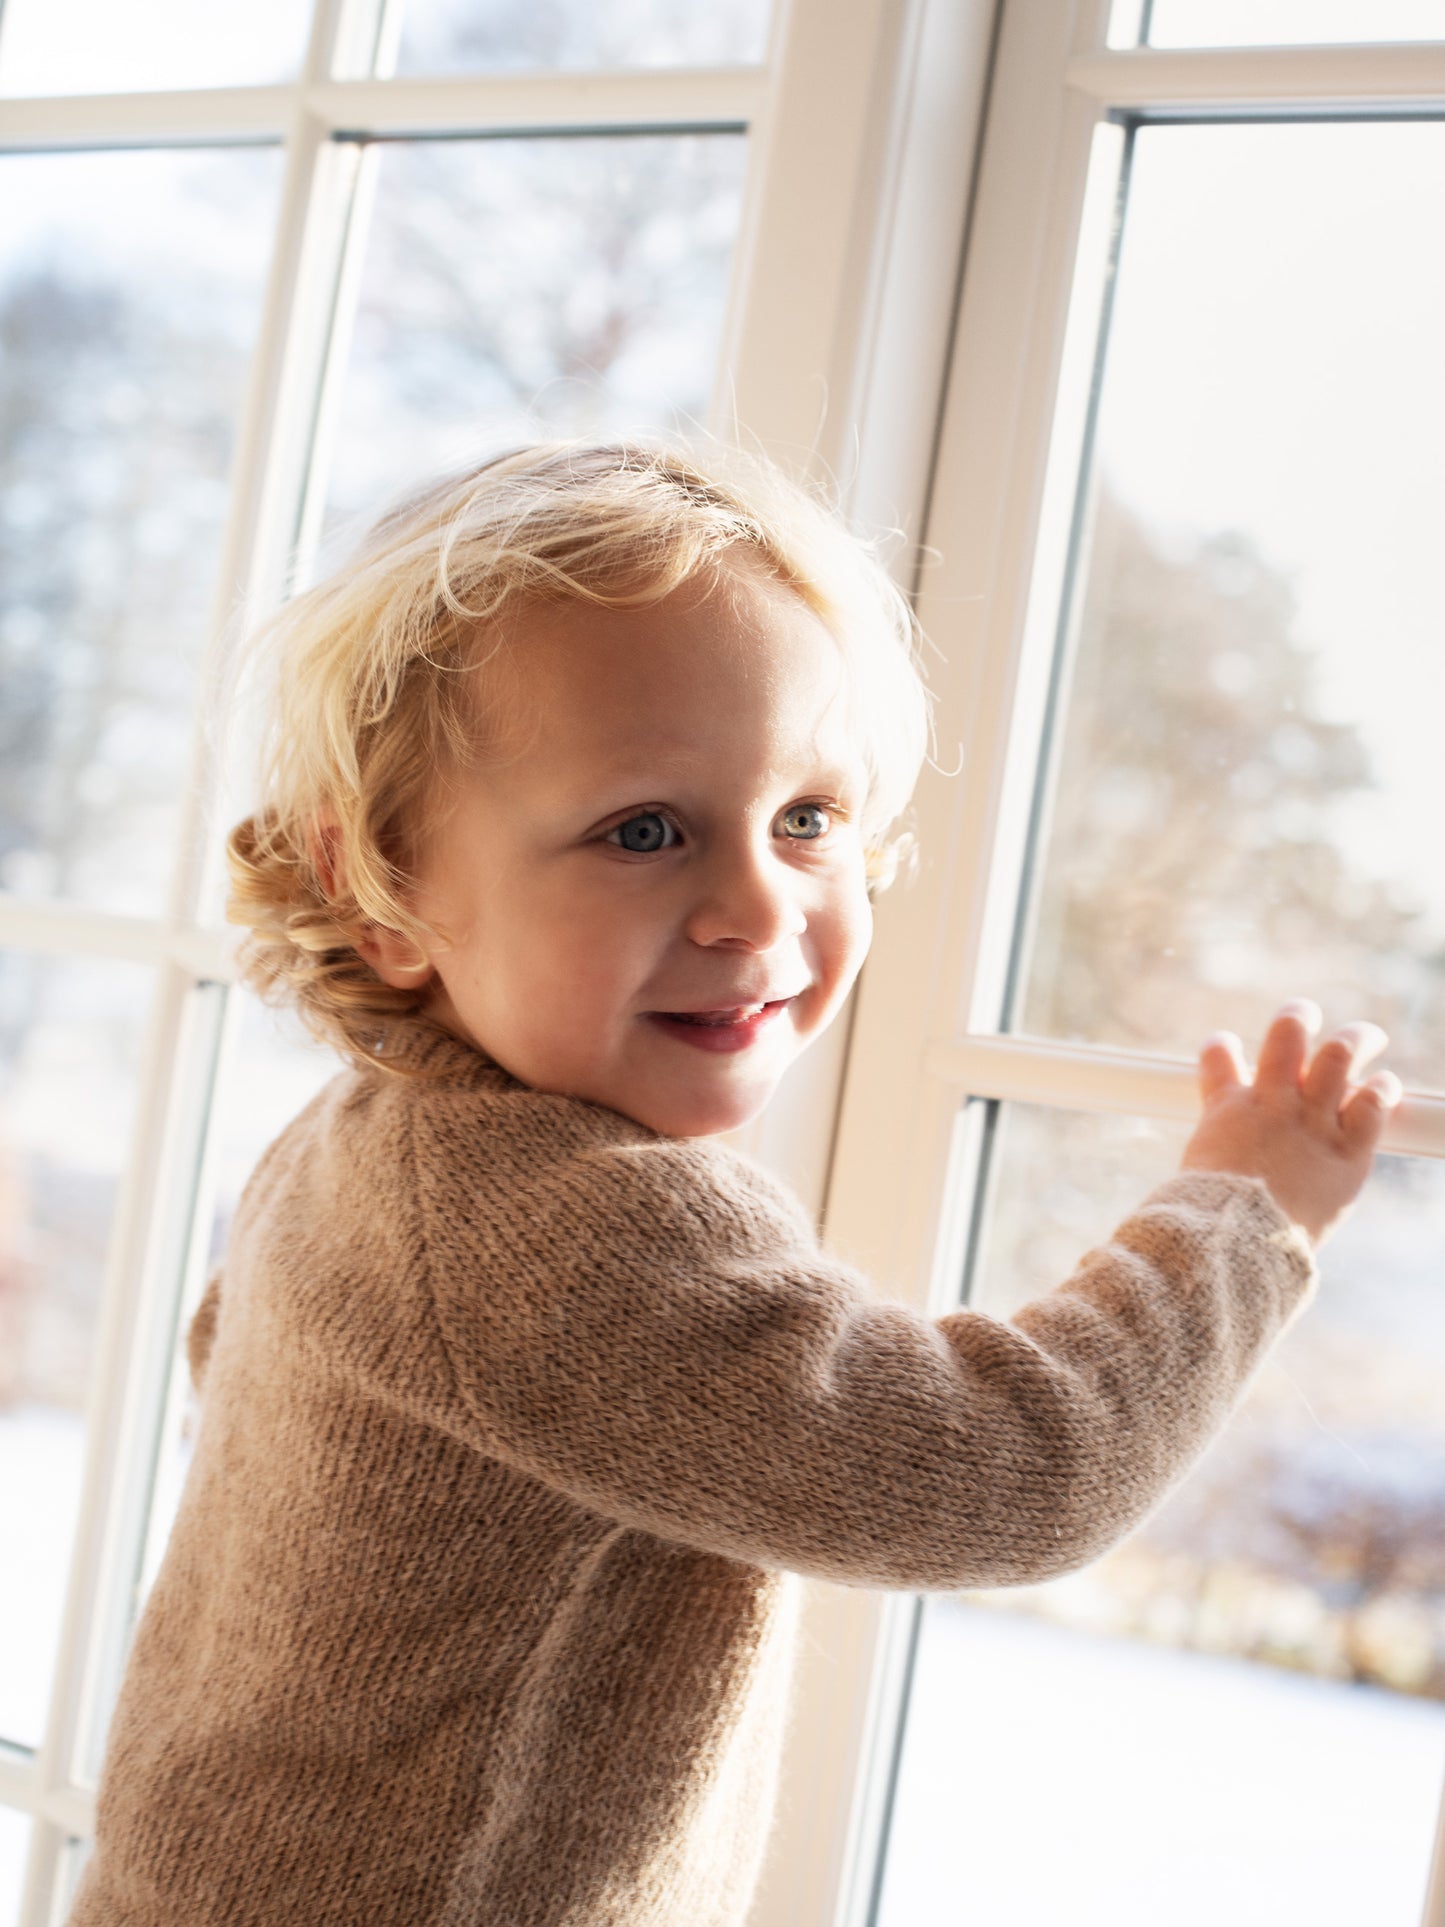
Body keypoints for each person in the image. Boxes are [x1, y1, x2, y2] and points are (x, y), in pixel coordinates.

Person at [70, 441, 1400, 1927]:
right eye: (645, 830)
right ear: (387, 889)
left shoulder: (360, 1139)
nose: (758, 905)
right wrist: (1237, 1211)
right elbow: (1007, 1472)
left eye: (810, 819)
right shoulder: (560, 1221)